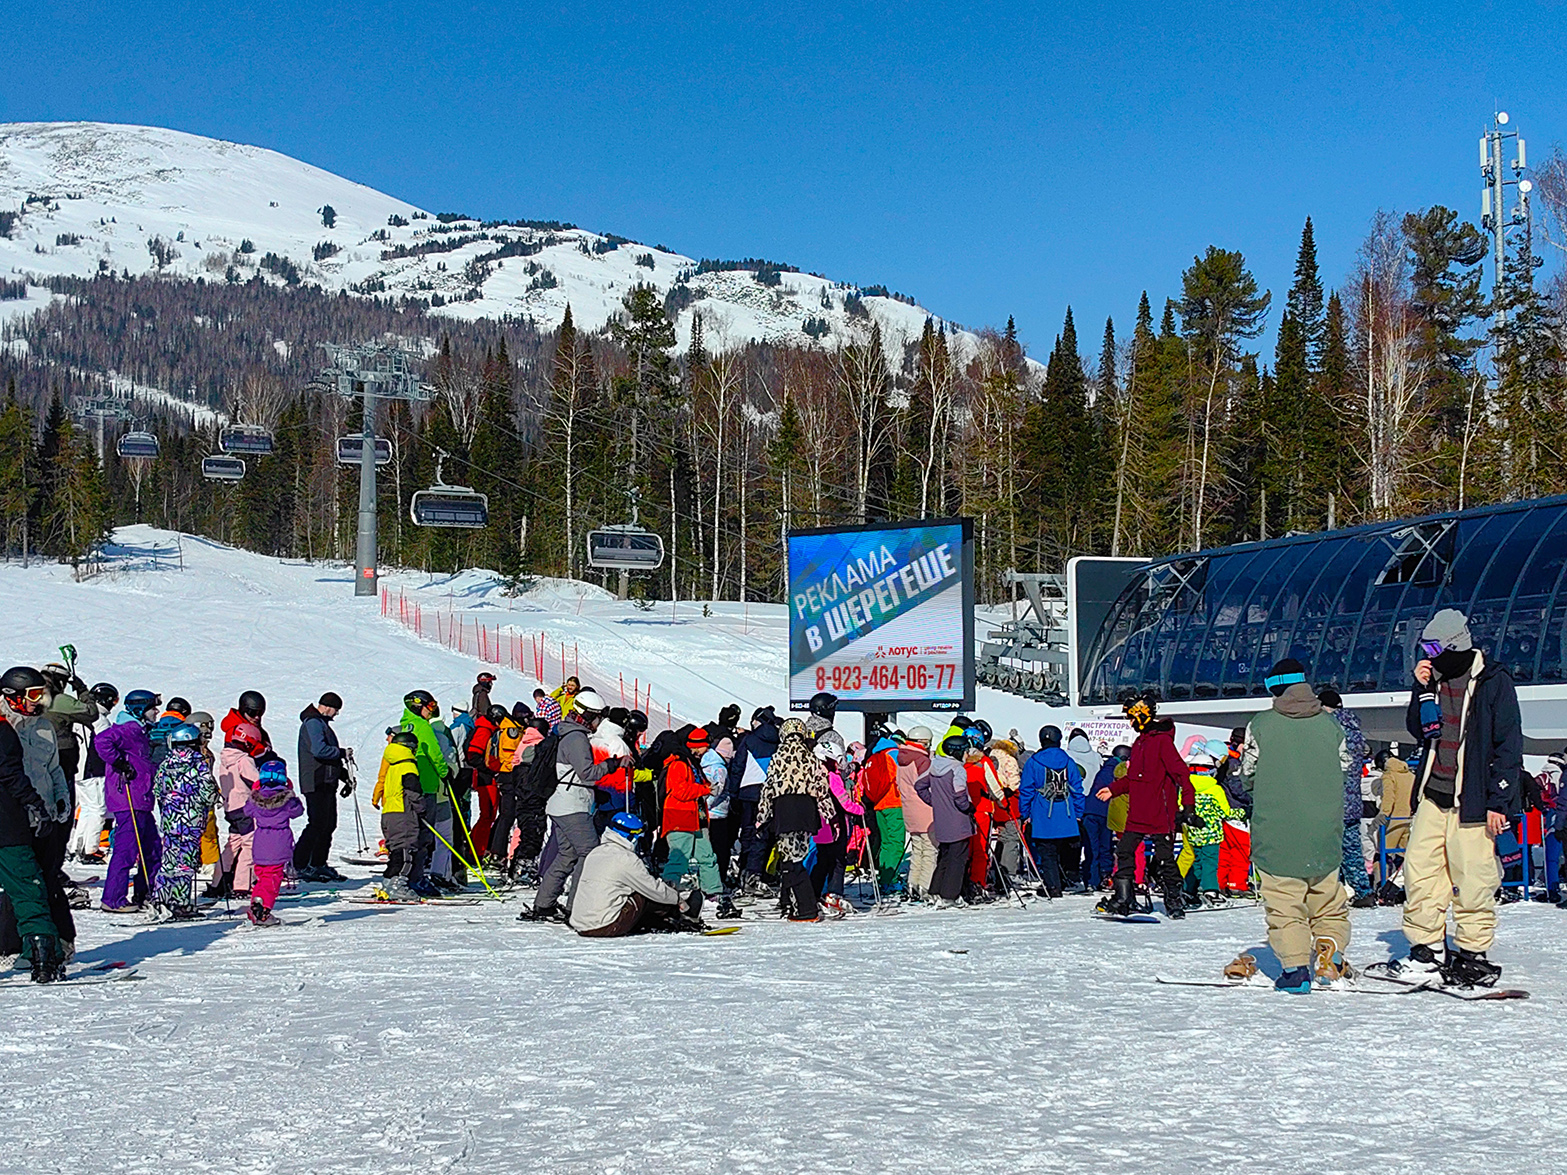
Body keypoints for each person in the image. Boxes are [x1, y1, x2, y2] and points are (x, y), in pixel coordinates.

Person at [1382, 609, 1522, 987]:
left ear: (1455, 644)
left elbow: (1508, 745)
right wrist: (1419, 688)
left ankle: (1473, 952)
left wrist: (1499, 802)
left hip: (1473, 800)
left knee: (1473, 877)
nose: (1427, 655)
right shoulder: (1433, 681)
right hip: (1432, 794)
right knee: (1421, 875)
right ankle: (1427, 949)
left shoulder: (1493, 680)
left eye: (1432, 647)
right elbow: (1419, 730)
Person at [1237, 658, 1353, 993]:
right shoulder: (1332, 726)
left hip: (1277, 830)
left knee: (1285, 904)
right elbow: (1345, 768)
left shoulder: (1261, 724)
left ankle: (1295, 969)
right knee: (1328, 899)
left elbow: (1248, 773)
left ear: (1275, 687)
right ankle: (1329, 953)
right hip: (1324, 828)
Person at [524, 689, 624, 922]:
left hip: (562, 803)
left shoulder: (564, 732)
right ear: (586, 716)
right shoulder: (576, 738)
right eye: (597, 717)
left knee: (567, 855)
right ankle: (577, 904)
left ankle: (544, 904)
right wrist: (612, 764)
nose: (599, 723)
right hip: (572, 805)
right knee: (590, 853)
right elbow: (587, 773)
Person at [1097, 692, 1194, 919]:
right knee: (1124, 851)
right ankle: (1124, 899)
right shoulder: (1139, 742)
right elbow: (1135, 777)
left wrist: (1188, 805)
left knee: (1164, 858)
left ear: (1141, 715)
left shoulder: (1161, 742)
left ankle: (1174, 900)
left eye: (1131, 717)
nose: (1130, 723)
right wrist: (1114, 788)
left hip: (1160, 812)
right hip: (1138, 811)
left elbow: (1181, 773)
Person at [0, 667, 67, 982]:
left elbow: (52, 767)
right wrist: (32, 803)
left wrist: (56, 800)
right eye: (34, 695)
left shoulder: (42, 727)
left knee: (37, 884)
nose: (41, 701)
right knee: (28, 891)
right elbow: (11, 773)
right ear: (12, 697)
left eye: (43, 694)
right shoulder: (4, 728)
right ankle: (42, 953)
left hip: (33, 816)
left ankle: (41, 952)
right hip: (14, 818)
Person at [570, 813, 703, 936]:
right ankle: (682, 915)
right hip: (604, 925)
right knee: (643, 893)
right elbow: (652, 889)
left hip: (583, 924)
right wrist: (677, 899)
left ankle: (658, 918)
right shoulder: (626, 859)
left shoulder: (595, 853)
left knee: (631, 891)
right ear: (630, 836)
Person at [755, 718, 835, 921]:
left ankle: (806, 908)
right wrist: (830, 816)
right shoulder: (811, 758)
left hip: (785, 810)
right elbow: (822, 789)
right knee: (796, 857)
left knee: (791, 862)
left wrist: (761, 819)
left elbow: (768, 791)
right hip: (807, 811)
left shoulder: (778, 758)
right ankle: (791, 903)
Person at [95, 688, 163, 912]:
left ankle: (144, 893)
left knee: (152, 849)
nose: (156, 712)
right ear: (140, 709)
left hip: (141, 799)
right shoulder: (128, 729)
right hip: (128, 799)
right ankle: (112, 899)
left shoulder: (141, 731)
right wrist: (119, 763)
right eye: (153, 708)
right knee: (126, 850)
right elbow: (102, 741)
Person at [151, 722, 218, 919]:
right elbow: (208, 792)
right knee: (185, 863)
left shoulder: (166, 763)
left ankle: (161, 898)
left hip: (171, 822)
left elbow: (158, 790)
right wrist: (214, 798)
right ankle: (180, 903)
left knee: (169, 861)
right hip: (190, 822)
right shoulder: (198, 763)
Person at [659, 727, 728, 914]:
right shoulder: (678, 764)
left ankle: (713, 892)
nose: (706, 752)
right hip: (680, 817)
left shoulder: (691, 764)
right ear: (697, 747)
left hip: (697, 818)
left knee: (707, 857)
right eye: (705, 748)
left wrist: (706, 787)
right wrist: (705, 790)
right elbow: (680, 791)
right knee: (679, 858)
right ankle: (666, 892)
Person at [1317, 687, 1372, 908]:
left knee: (1330, 849)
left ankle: (1332, 893)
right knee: (1352, 848)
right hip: (1353, 801)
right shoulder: (1355, 730)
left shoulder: (1327, 728)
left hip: (1331, 800)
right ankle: (1363, 890)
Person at [1019, 726, 1084, 898]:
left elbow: (1026, 790)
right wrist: (1078, 813)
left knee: (1047, 852)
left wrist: (1024, 814)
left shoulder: (1033, 762)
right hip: (1067, 814)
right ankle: (1062, 881)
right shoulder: (1069, 761)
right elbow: (1077, 789)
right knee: (1063, 850)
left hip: (1042, 814)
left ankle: (1053, 885)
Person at [398, 690, 450, 898]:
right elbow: (434, 753)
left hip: (412, 785)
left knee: (414, 831)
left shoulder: (406, 725)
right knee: (424, 834)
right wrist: (445, 773)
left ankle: (412, 875)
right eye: (429, 706)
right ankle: (417, 878)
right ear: (418, 706)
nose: (432, 711)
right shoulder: (422, 726)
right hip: (427, 784)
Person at [916, 734, 975, 909]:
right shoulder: (957, 769)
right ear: (957, 752)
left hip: (941, 819)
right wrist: (968, 807)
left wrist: (934, 801)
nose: (967, 755)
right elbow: (959, 794)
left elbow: (919, 785)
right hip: (958, 820)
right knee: (957, 858)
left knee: (945, 856)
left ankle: (936, 890)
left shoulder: (935, 765)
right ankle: (950, 895)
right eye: (965, 752)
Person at [294, 692, 348, 882]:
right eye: (335, 710)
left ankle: (318, 863)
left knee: (328, 824)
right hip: (315, 781)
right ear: (327, 706)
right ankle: (300, 864)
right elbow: (319, 750)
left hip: (326, 781)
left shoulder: (321, 723)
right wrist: (341, 753)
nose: (336, 714)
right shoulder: (313, 723)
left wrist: (343, 775)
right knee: (317, 824)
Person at [210, 720, 266, 900]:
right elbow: (257, 782)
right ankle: (243, 885)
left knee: (233, 843)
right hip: (245, 807)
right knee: (250, 844)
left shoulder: (225, 758)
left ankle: (218, 881)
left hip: (231, 807)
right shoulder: (244, 760)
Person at [245, 760, 305, 927]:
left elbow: (246, 810)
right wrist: (290, 791)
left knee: (262, 875)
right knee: (273, 878)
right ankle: (263, 909)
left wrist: (255, 790)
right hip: (278, 843)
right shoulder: (287, 800)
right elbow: (298, 811)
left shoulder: (255, 799)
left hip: (261, 841)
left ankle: (256, 905)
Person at [1179, 750, 1241, 908]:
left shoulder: (1186, 788)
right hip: (1211, 833)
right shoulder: (1215, 789)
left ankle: (1189, 889)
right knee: (1210, 862)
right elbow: (1225, 812)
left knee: (1197, 861)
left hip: (1193, 832)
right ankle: (1211, 890)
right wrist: (1242, 812)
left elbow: (1181, 806)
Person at [730, 706, 781, 897]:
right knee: (764, 834)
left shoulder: (749, 740)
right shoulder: (778, 741)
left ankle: (745, 872)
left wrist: (733, 793)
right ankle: (758, 873)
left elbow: (738, 767)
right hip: (770, 793)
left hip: (747, 791)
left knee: (748, 833)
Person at [810, 730, 861, 917]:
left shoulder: (814, 773)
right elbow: (843, 802)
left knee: (823, 860)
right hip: (834, 823)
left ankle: (814, 893)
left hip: (820, 822)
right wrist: (859, 809)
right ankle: (833, 893)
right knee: (837, 859)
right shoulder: (833, 777)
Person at [68, 682, 119, 862]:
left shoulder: (79, 716)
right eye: (113, 701)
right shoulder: (99, 719)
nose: (113, 705)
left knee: (88, 809)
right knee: (98, 810)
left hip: (79, 769)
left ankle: (77, 847)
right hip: (94, 770)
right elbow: (105, 745)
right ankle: (89, 850)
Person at [373, 730, 425, 898]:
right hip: (403, 813)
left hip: (389, 812)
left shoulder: (393, 764)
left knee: (396, 849)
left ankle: (389, 882)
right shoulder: (407, 766)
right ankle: (398, 884)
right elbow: (413, 791)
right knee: (405, 849)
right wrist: (422, 808)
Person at [897, 727, 937, 900]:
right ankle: (925, 885)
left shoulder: (901, 759)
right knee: (930, 850)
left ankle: (912, 883)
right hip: (925, 810)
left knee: (917, 849)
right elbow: (927, 786)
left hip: (909, 809)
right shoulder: (922, 760)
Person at [1083, 745, 1127, 891]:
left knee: (1092, 847)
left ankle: (1091, 878)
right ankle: (1102, 877)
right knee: (1104, 846)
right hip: (1104, 813)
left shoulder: (1103, 769)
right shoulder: (1119, 772)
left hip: (1089, 811)